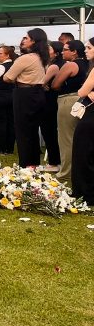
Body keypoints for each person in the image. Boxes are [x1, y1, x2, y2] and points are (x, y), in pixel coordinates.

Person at [3, 28, 48, 167]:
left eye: (26, 38)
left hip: (25, 93)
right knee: (32, 130)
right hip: (38, 93)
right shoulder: (42, 57)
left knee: (23, 130)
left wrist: (16, 78)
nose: (23, 40)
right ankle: (33, 163)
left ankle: (26, 164)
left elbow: (7, 77)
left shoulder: (26, 58)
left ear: (33, 41)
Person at [52, 40, 87, 184]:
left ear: (74, 52)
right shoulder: (88, 65)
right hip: (85, 101)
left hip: (69, 100)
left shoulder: (71, 65)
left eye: (66, 49)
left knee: (66, 139)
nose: (62, 52)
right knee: (81, 139)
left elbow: (55, 84)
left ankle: (65, 174)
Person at [71, 37, 94, 203]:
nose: (85, 50)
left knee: (84, 153)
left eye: (89, 47)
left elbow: (81, 92)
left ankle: (85, 192)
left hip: (91, 115)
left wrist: (87, 91)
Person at [38, 41, 64, 171]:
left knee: (49, 131)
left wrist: (43, 85)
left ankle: (54, 162)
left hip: (50, 101)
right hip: (55, 100)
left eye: (49, 48)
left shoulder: (54, 66)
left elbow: (41, 82)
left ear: (56, 52)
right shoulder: (62, 64)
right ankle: (56, 160)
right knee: (52, 131)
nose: (47, 50)